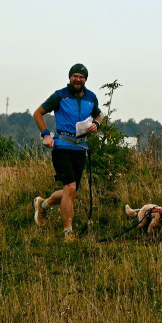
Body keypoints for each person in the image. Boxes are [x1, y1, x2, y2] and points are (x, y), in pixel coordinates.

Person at [32, 63, 103, 242]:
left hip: (80, 148)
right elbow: (38, 113)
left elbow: (98, 115)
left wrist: (97, 124)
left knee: (71, 192)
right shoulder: (60, 95)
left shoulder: (91, 97)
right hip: (62, 145)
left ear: (85, 79)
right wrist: (46, 135)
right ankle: (68, 232)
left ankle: (43, 204)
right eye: (75, 76)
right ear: (70, 77)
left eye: (81, 77)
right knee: (70, 187)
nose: (78, 79)